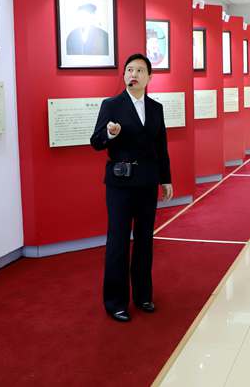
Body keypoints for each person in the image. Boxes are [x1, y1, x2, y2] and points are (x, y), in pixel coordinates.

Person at [90, 53, 173, 323]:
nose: (133, 74)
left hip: (147, 182)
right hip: (121, 184)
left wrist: (166, 179)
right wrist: (110, 134)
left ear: (149, 77)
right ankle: (115, 302)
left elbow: (161, 146)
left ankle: (143, 295)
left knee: (145, 240)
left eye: (139, 70)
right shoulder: (111, 105)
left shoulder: (156, 108)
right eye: (129, 70)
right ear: (124, 75)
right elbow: (96, 141)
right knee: (118, 241)